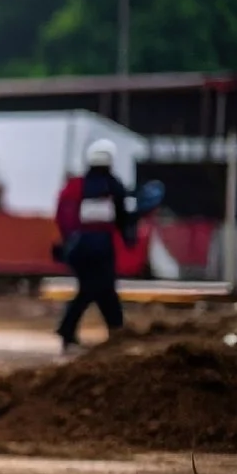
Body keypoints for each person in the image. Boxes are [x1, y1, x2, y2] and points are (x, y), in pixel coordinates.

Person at [53, 139, 137, 351]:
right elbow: (123, 217)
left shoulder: (76, 185)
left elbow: (62, 217)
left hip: (78, 250)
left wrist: (68, 241)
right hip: (101, 250)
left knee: (97, 290)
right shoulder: (112, 186)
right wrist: (129, 237)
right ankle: (112, 331)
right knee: (99, 289)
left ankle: (112, 330)